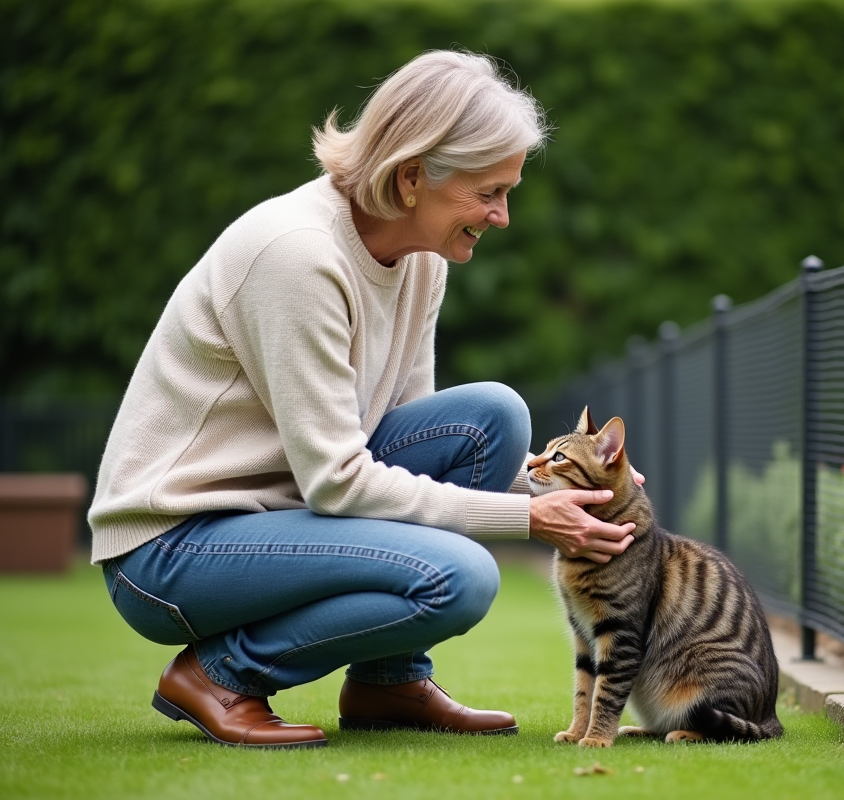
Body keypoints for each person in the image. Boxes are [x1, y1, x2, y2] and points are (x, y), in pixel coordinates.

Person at [88, 50, 637, 750]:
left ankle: (389, 682)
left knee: (493, 419)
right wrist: (526, 517)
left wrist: (571, 480)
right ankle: (221, 675)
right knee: (459, 577)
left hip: (283, 507)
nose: (502, 217)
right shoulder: (297, 254)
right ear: (412, 178)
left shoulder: (422, 258)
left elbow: (409, 444)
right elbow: (338, 477)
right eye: (489, 193)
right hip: (174, 547)